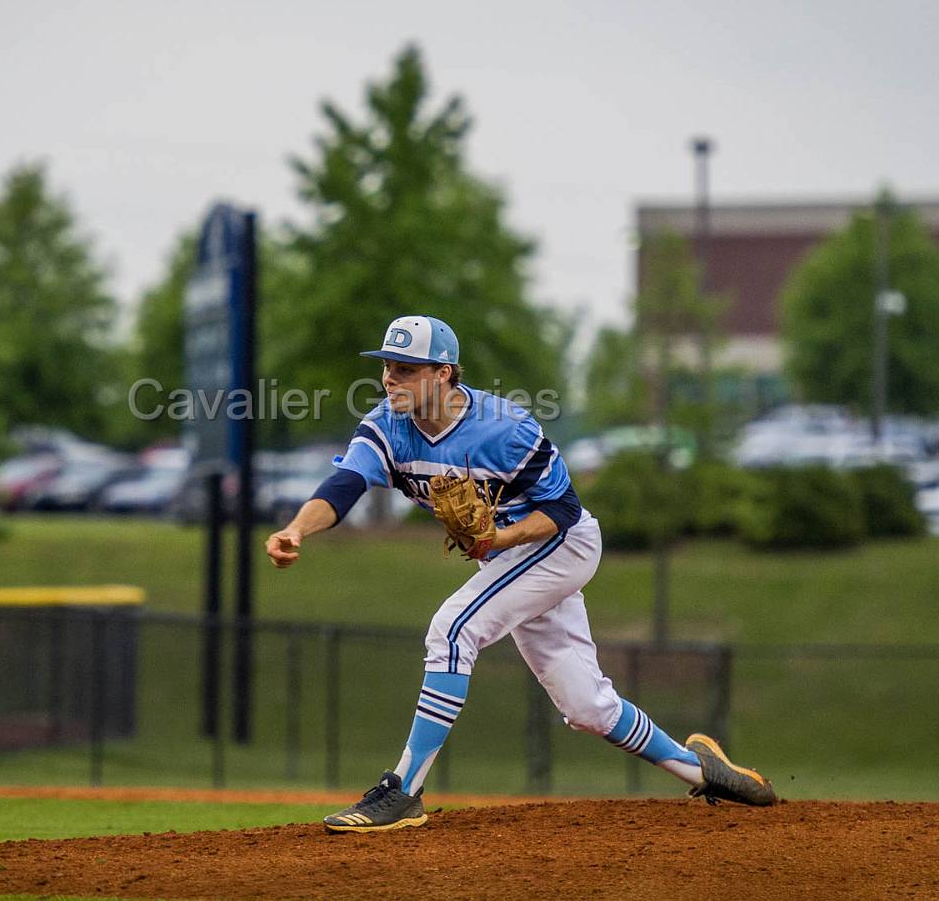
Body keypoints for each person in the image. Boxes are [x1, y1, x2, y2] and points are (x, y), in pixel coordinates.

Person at [265, 315, 776, 833]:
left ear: (442, 374)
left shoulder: (506, 429)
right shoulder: (386, 427)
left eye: (405, 368)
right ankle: (703, 769)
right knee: (586, 708)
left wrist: (498, 540)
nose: (389, 378)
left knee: (453, 629)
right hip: (510, 561)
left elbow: (565, 510)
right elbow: (344, 484)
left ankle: (404, 791)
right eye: (387, 367)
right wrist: (298, 531)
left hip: (560, 545)